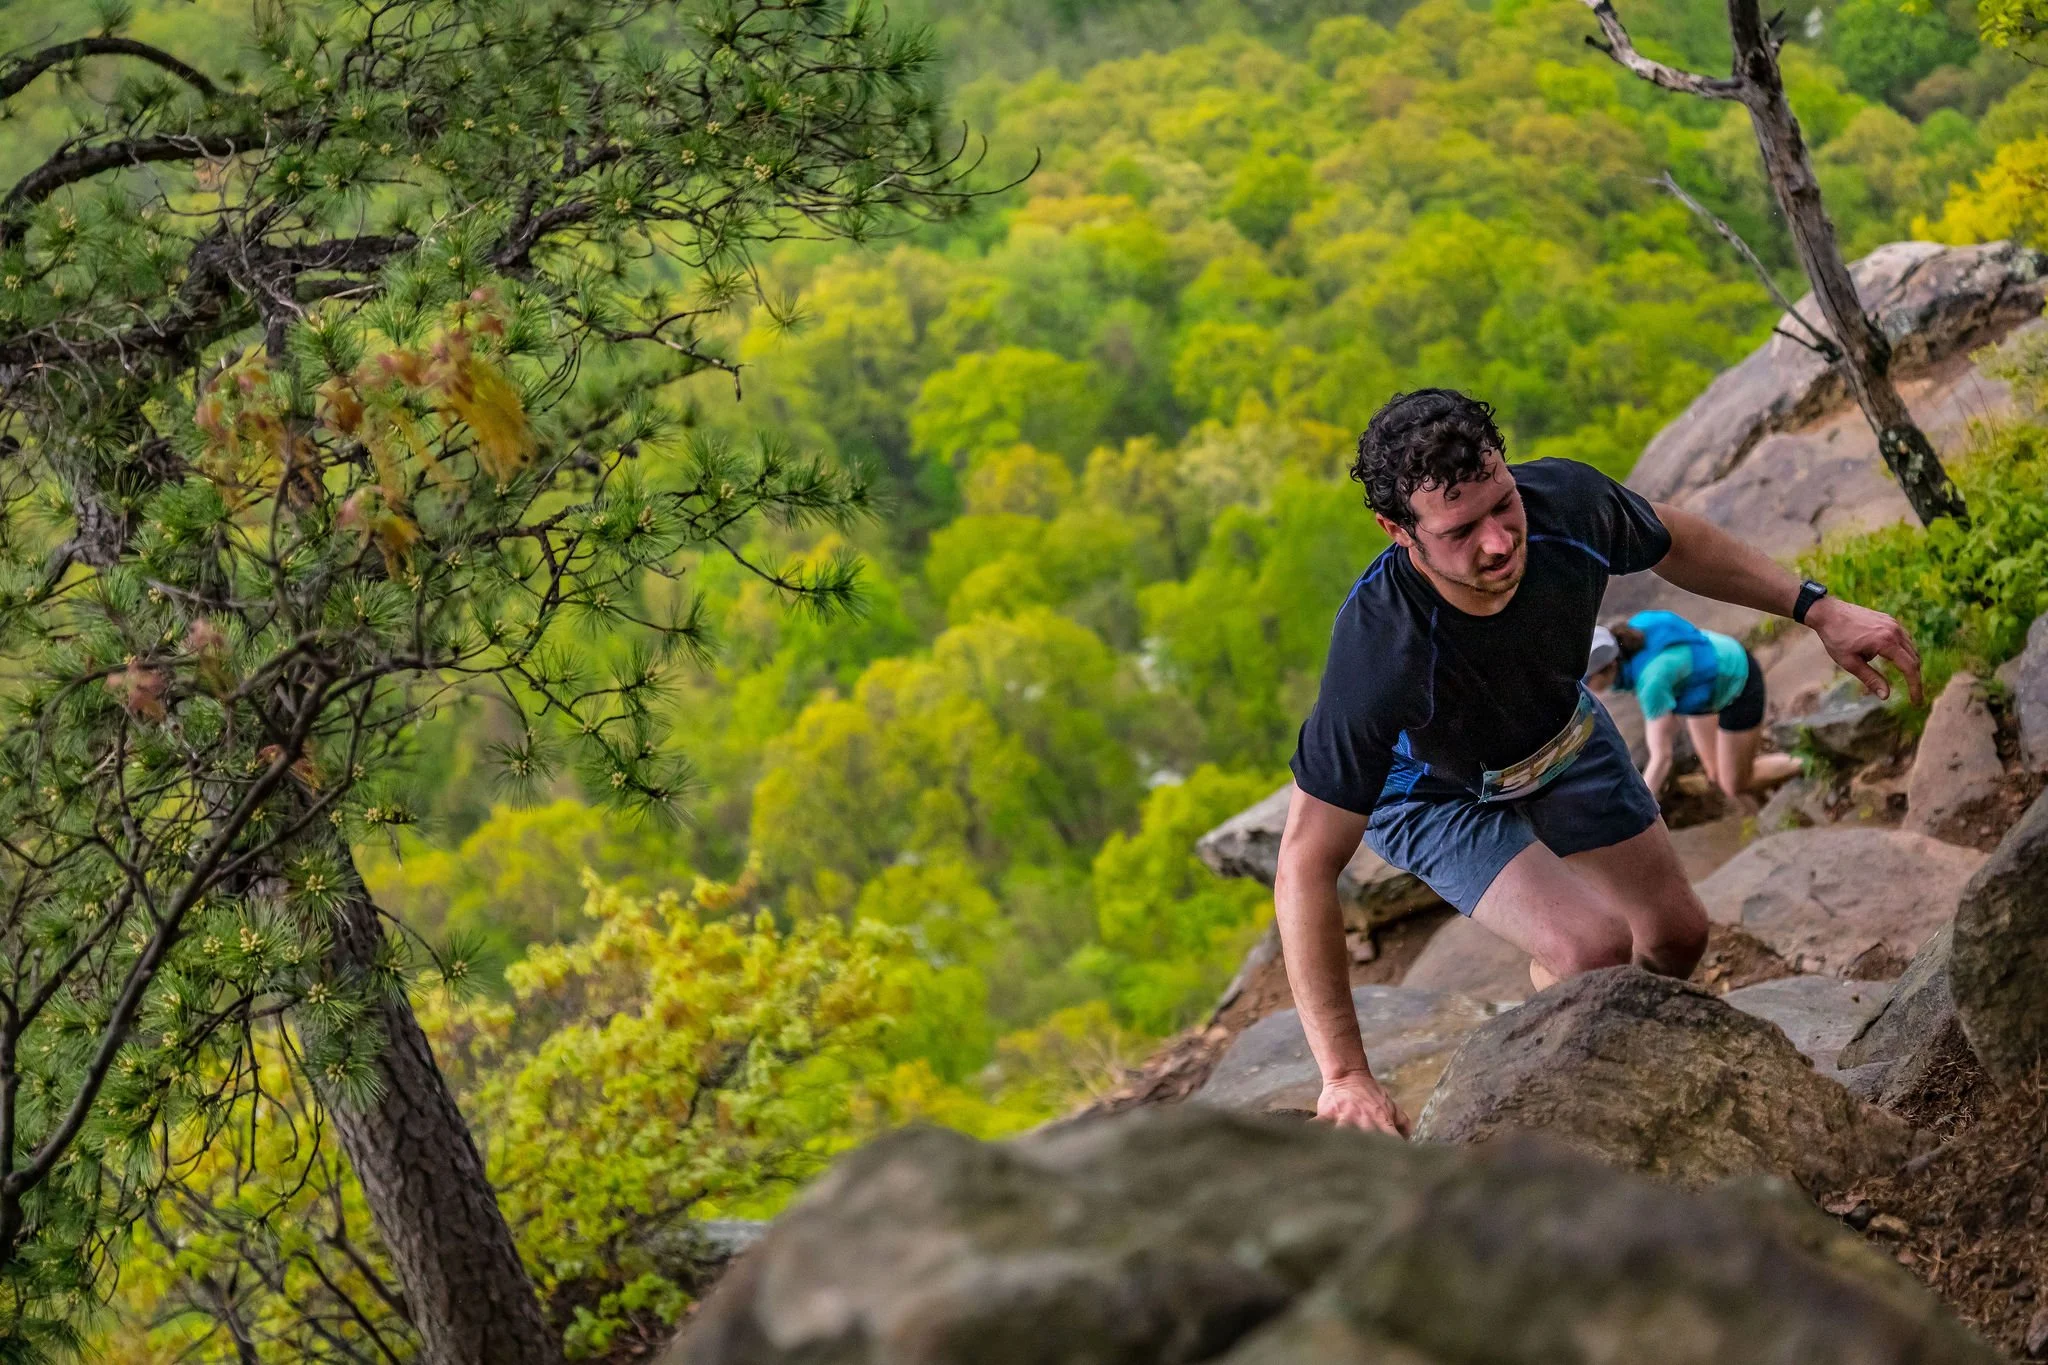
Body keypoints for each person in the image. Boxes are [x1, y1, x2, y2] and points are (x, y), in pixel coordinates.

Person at [1277, 388, 1922, 1139]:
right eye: (1460, 530)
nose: (1497, 542)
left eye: (1502, 505)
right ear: (1397, 531)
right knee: (1593, 948)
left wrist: (1818, 608)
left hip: (1557, 735)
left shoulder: (1564, 506)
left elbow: (1670, 539)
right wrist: (1345, 1074)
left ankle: (1582, 1027)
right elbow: (1304, 863)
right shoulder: (1380, 650)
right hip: (1432, 791)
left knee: (1677, 938)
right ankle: (1570, 1076)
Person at [1586, 612, 1803, 808]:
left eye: (1586, 680)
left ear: (1610, 667)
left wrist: (1639, 809)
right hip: (1707, 673)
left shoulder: (1652, 682)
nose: (1582, 687)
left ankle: (1807, 762)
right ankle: (1760, 804)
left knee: (1732, 784)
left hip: (1739, 683)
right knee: (1714, 773)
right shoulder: (1635, 628)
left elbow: (1662, 758)